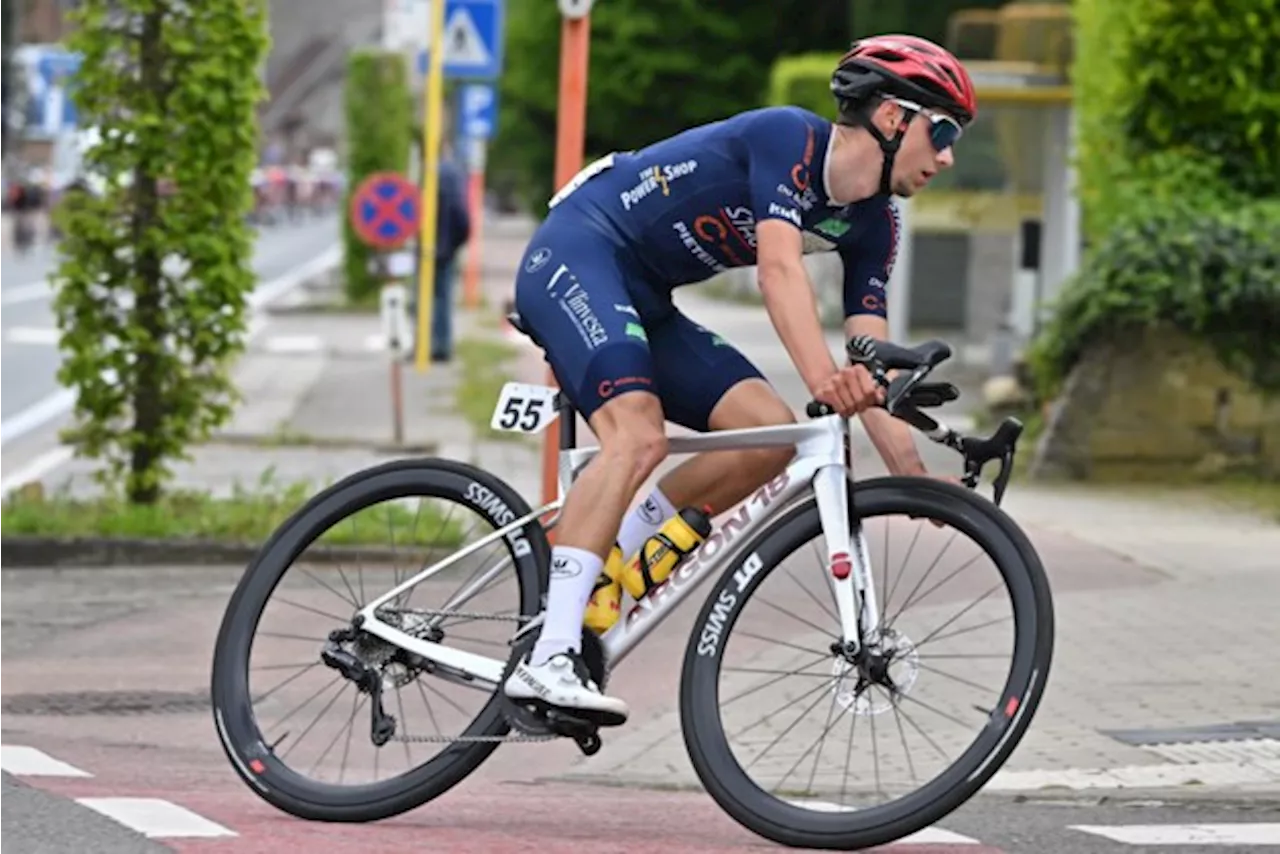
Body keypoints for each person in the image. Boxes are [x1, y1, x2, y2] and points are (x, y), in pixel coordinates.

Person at [502, 34, 978, 726]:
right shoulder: (788, 139)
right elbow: (777, 270)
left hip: (646, 298)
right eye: (942, 132)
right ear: (890, 118)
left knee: (768, 436)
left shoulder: (876, 223)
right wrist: (825, 379)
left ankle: (608, 564)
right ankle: (547, 659)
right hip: (580, 250)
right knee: (636, 436)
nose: (947, 155)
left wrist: (909, 471)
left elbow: (867, 356)